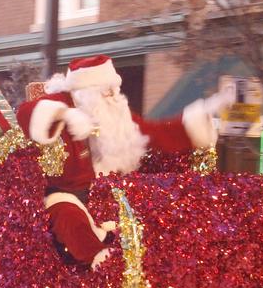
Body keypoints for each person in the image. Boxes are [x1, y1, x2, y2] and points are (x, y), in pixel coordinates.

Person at [16, 55, 225, 269]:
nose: (115, 96)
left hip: (108, 193)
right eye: (107, 90)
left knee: (156, 212)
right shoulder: (61, 101)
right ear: (86, 91)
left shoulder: (116, 116)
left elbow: (154, 132)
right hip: (65, 194)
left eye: (115, 89)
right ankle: (104, 268)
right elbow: (25, 114)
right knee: (70, 218)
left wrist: (197, 119)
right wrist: (67, 115)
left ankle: (152, 265)